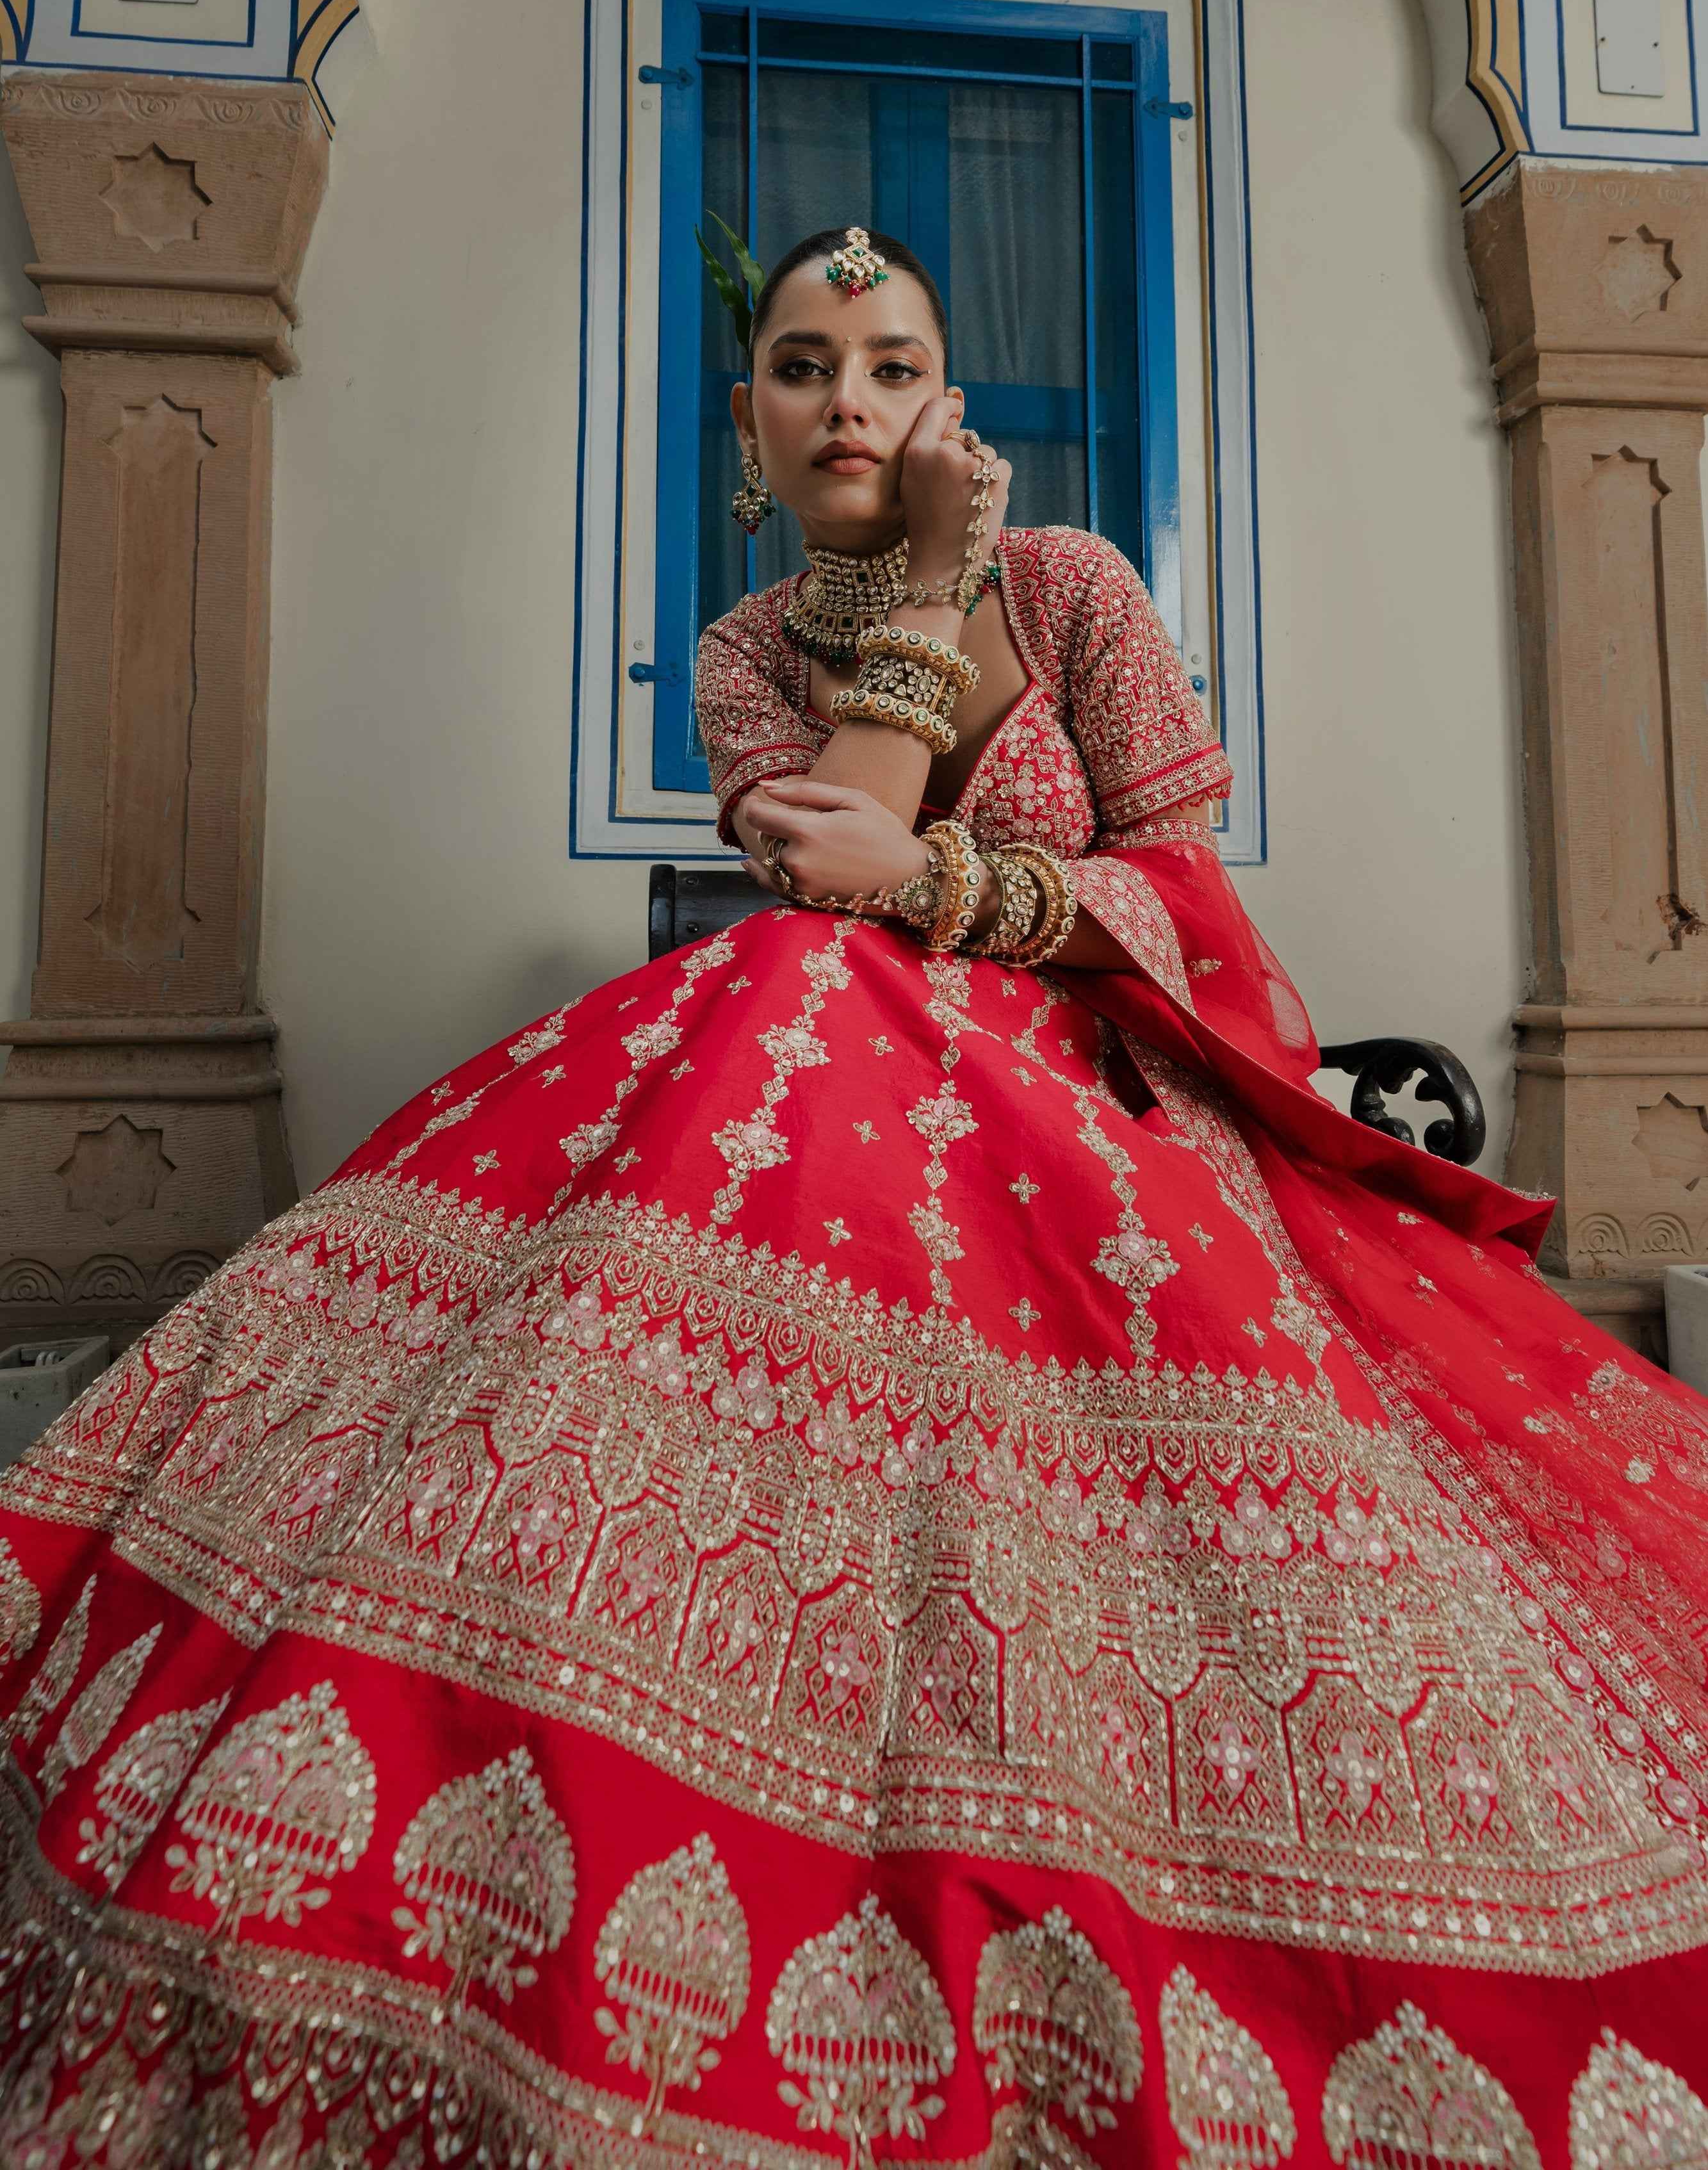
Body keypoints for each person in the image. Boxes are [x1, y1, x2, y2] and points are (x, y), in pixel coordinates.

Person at [0, 224, 1702, 2168]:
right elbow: (830, 874)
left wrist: (960, 887)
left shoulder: (1074, 589)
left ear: (944, 398)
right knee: (789, 981)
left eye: (888, 364)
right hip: (840, 1085)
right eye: (804, 367)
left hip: (1094, 1085)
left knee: (796, 984)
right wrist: (917, 597)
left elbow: (1189, 897)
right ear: (749, 422)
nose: (847, 401)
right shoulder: (744, 651)